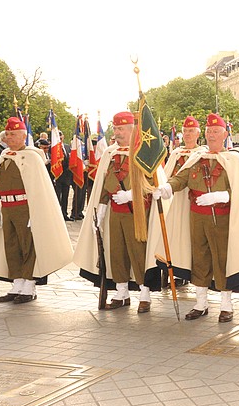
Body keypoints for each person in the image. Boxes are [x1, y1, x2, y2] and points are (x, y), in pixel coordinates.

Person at [152, 113, 239, 322]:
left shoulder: (234, 159)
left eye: (215, 131)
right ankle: (201, 303)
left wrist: (222, 195)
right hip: (197, 217)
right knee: (199, 259)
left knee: (221, 260)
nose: (211, 135)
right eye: (209, 131)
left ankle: (226, 305)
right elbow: (181, 177)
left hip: (220, 218)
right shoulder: (197, 158)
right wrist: (167, 187)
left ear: (225, 134)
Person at [0, 117, 72, 303]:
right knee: (11, 245)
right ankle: (17, 283)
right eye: (8, 135)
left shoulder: (32, 157)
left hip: (25, 208)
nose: (9, 138)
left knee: (27, 246)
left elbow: (39, 189)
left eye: (13, 135)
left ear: (23, 136)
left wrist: (34, 211)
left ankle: (29, 286)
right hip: (7, 207)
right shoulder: (4, 155)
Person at [73, 111, 164, 313]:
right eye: (115, 128)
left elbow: (152, 183)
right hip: (115, 210)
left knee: (138, 253)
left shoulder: (143, 152)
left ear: (133, 130)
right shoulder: (111, 153)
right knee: (117, 251)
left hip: (138, 211)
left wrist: (132, 195)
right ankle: (121, 292)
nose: (117, 132)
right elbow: (105, 183)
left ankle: (144, 293)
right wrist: (102, 206)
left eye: (121, 129)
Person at [144, 115, 205, 289]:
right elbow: (168, 175)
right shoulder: (177, 153)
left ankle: (192, 272)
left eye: (191, 131)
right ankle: (177, 270)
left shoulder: (202, 153)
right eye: (185, 131)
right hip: (175, 199)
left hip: (193, 200)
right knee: (175, 236)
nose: (187, 134)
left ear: (198, 133)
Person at [54, 131, 73, 221]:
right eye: (58, 136)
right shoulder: (53, 148)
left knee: (65, 197)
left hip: (67, 176)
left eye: (61, 135)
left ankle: (64, 214)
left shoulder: (67, 147)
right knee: (57, 196)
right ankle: (56, 215)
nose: (60, 137)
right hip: (57, 176)